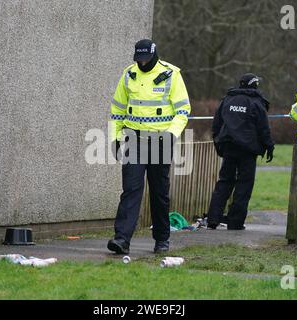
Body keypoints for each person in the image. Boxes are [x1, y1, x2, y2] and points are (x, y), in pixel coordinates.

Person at [107, 39, 191, 254]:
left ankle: (162, 239)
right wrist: (115, 138)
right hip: (133, 140)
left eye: (145, 59)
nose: (142, 63)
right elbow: (117, 110)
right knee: (131, 191)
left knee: (159, 193)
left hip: (160, 142)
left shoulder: (171, 74)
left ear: (154, 55)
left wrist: (172, 135)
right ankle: (121, 240)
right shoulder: (128, 74)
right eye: (139, 59)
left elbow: (183, 111)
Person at [207, 73, 274, 230]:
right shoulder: (257, 102)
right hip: (247, 150)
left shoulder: (228, 99)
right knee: (244, 185)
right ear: (255, 85)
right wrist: (269, 146)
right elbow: (264, 128)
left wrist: (217, 141)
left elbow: (216, 123)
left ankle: (213, 219)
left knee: (224, 182)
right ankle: (235, 222)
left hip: (229, 146)